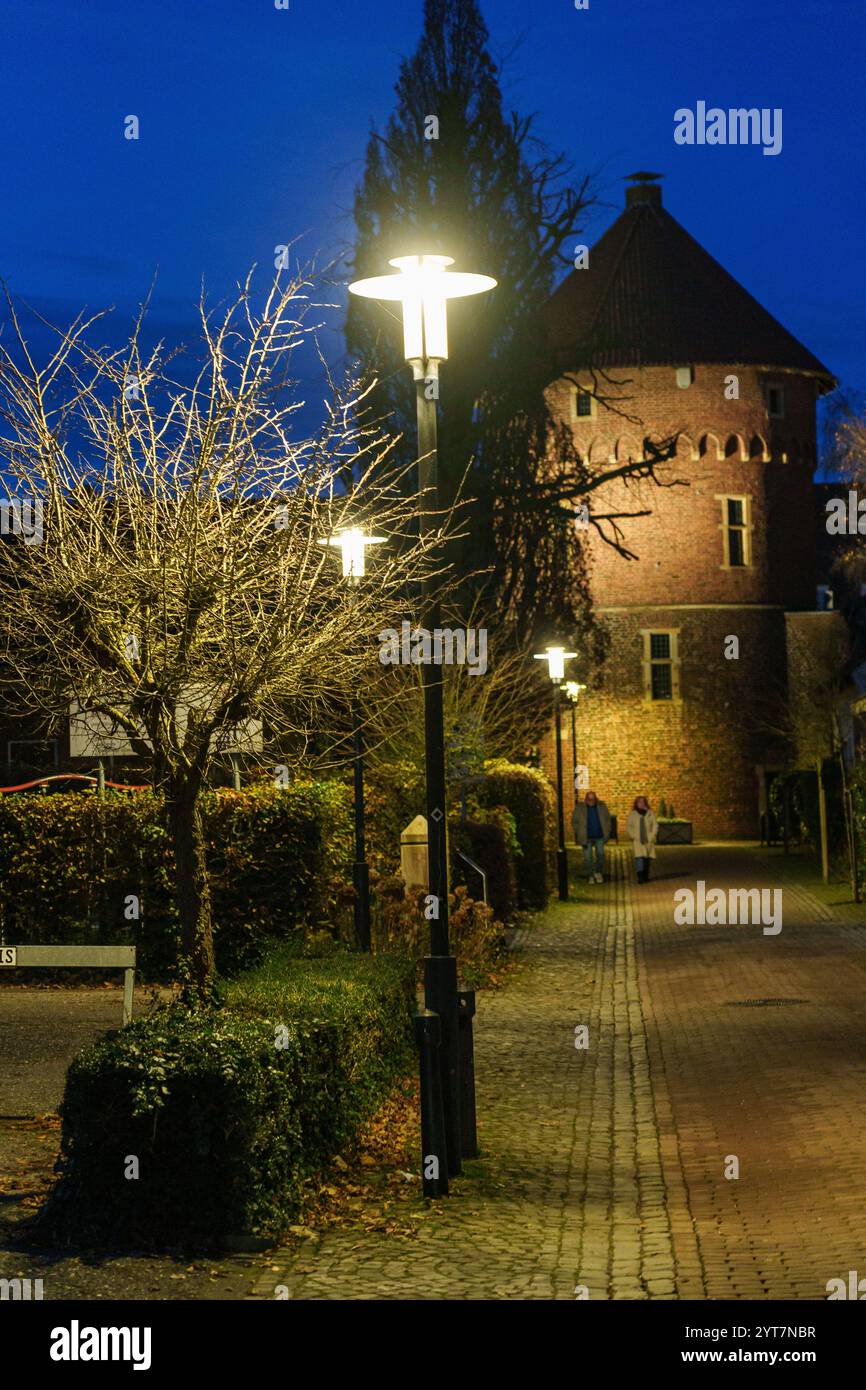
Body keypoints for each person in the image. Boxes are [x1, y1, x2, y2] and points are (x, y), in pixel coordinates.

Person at [572, 789, 612, 884]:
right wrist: (578, 831)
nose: (591, 801)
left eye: (593, 799)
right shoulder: (580, 808)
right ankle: (590, 874)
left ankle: (598, 872)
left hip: (599, 836)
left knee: (600, 855)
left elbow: (607, 819)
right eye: (589, 799)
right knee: (588, 858)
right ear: (586, 799)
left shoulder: (602, 806)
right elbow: (575, 821)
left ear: (596, 799)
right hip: (586, 837)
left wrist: (608, 829)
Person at [626, 795, 658, 883]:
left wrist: (652, 836)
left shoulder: (650, 813)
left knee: (647, 859)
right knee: (639, 858)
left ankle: (645, 875)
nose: (641, 804)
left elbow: (655, 825)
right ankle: (640, 877)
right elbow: (629, 826)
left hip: (648, 840)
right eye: (639, 802)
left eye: (643, 802)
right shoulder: (633, 814)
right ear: (636, 804)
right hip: (637, 840)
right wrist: (633, 836)